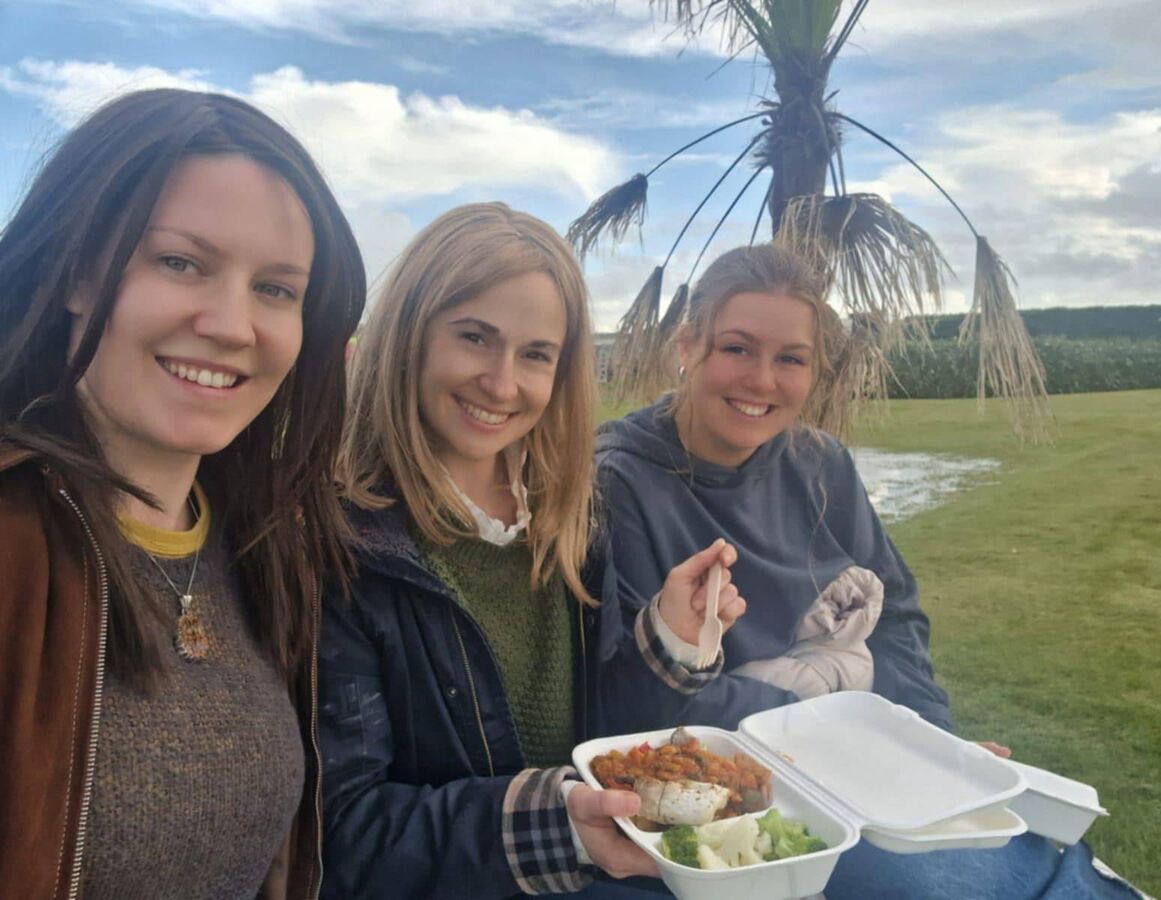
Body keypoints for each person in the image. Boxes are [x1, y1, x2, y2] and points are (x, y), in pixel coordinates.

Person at [595, 243, 1143, 899]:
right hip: (735, 794)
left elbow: (898, 617)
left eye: (791, 359)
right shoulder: (618, 479)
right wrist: (847, 726)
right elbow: (626, 696)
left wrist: (936, 745)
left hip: (861, 762)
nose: (762, 380)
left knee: (1040, 864)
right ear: (687, 345)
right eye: (737, 348)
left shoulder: (820, 464)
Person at [319, 202, 745, 899]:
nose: (502, 383)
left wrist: (667, 640)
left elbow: (600, 740)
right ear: (408, 337)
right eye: (474, 337)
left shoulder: (571, 519)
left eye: (536, 355)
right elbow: (345, 835)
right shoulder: (345, 545)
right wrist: (559, 824)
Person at [0, 88, 366, 899]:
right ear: (80, 273)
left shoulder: (268, 548)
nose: (234, 325)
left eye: (276, 288)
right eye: (180, 262)